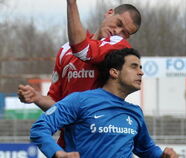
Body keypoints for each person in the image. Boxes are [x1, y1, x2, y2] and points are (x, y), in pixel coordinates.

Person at [18, 1, 141, 148]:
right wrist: (37, 97)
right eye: (118, 23)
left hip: (100, 144)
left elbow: (80, 48)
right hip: (69, 145)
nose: (118, 31)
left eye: (125, 33)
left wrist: (71, 4)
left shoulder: (119, 47)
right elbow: (58, 105)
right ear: (109, 13)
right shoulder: (65, 51)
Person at [30, 48, 178, 158]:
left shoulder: (135, 112)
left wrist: (162, 155)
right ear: (114, 72)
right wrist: (57, 153)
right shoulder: (80, 101)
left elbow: (146, 149)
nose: (141, 72)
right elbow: (40, 127)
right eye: (134, 66)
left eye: (141, 68)